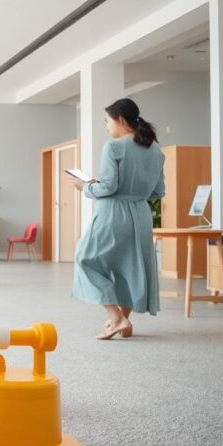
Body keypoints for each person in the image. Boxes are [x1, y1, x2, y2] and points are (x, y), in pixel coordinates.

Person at [71, 98, 165, 340]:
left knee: (85, 259)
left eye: (107, 121)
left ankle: (116, 317)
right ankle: (124, 322)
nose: (106, 126)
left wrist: (85, 187)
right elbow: (158, 192)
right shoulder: (156, 151)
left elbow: (108, 187)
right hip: (141, 215)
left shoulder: (113, 147)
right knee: (130, 267)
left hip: (112, 213)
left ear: (120, 119)